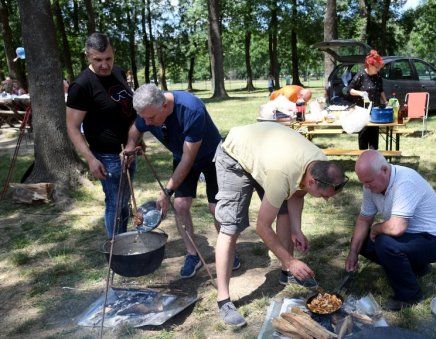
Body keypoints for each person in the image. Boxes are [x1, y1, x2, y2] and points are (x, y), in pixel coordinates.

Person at [213, 122, 347, 327]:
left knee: (283, 212)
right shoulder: (282, 175)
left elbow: (298, 193)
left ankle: (287, 272)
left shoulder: (319, 163)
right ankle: (223, 299)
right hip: (235, 155)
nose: (325, 200)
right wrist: (292, 260)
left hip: (268, 155)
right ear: (313, 181)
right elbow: (262, 227)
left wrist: (297, 229)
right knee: (231, 226)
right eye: (323, 195)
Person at [124, 83, 239, 278]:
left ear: (165, 106)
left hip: (211, 157)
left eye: (151, 118)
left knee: (215, 208)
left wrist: (166, 191)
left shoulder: (192, 110)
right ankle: (192, 255)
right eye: (145, 117)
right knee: (180, 205)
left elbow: (188, 159)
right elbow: (136, 128)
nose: (148, 123)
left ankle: (228, 252)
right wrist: (130, 145)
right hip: (182, 156)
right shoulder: (149, 112)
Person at [345, 150, 436, 311]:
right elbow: (364, 219)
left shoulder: (406, 180)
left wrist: (376, 228)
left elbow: (397, 227)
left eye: (369, 181)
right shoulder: (370, 185)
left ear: (385, 170)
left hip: (435, 240)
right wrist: (353, 252)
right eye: (363, 182)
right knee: (361, 241)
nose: (366, 186)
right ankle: (417, 268)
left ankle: (410, 296)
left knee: (385, 242)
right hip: (412, 238)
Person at [66, 33, 137, 239]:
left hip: (128, 150)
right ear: (88, 56)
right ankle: (117, 250)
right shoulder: (81, 86)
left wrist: (135, 141)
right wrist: (91, 159)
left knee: (124, 199)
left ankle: (122, 241)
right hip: (107, 156)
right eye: (98, 60)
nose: (105, 65)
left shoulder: (118, 72)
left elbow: (128, 110)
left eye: (108, 58)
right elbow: (72, 127)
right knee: (115, 203)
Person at [348, 50, 388, 150]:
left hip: (375, 111)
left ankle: (373, 161)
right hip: (362, 112)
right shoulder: (360, 75)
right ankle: (363, 160)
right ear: (370, 65)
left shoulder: (377, 76)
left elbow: (380, 90)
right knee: (363, 138)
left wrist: (385, 101)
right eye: (377, 66)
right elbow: (350, 90)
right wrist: (360, 93)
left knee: (374, 139)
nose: (378, 69)